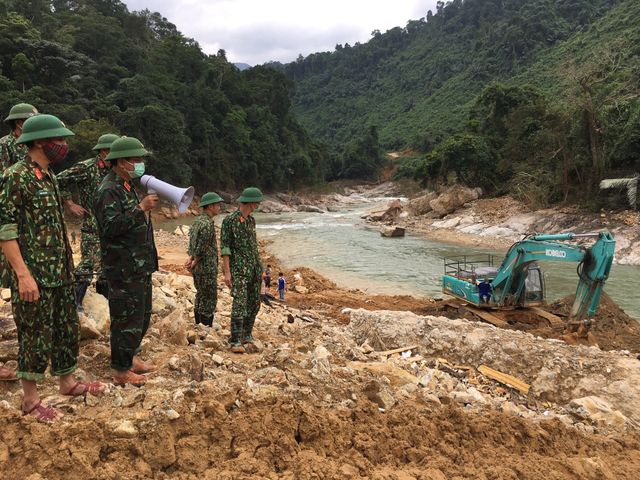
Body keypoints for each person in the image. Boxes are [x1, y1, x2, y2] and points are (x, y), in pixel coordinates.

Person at [0, 114, 105, 421]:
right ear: (40, 142)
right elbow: (5, 229)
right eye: (59, 140)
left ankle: (67, 382)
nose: (64, 145)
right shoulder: (15, 176)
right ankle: (31, 400)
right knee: (33, 334)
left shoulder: (49, 176)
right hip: (34, 275)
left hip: (59, 272)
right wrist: (22, 275)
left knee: (65, 328)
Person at [94, 136, 158, 386]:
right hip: (122, 267)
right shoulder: (108, 189)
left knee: (141, 315)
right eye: (136, 159)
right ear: (120, 161)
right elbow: (109, 227)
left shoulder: (126, 186)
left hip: (139, 264)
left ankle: (130, 357)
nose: (140, 163)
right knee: (125, 318)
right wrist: (140, 208)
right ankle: (120, 370)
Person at [58, 133, 119, 308]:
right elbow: (59, 180)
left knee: (107, 268)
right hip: (92, 227)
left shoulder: (115, 170)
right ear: (102, 151)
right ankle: (74, 304)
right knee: (87, 266)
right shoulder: (86, 167)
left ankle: (105, 305)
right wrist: (70, 203)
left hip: (112, 227)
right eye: (111, 151)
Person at [0, 103, 38, 381]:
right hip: (6, 221)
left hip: (24, 228)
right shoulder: (5, 147)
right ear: (18, 123)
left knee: (20, 283)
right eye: (29, 121)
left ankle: (29, 351)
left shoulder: (32, 150)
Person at [221, 187, 263, 354]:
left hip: (254, 268)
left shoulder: (251, 221)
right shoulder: (229, 221)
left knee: (254, 303)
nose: (259, 204)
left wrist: (260, 268)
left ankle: (247, 334)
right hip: (238, 270)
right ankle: (235, 340)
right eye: (258, 201)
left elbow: (254, 246)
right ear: (251, 202)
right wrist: (227, 272)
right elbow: (225, 247)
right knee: (239, 303)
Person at [186, 192, 223, 327]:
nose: (219, 207)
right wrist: (195, 260)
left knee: (200, 295)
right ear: (211, 206)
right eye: (217, 204)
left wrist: (191, 259)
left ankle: (198, 326)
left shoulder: (197, 221)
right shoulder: (207, 224)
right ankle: (206, 328)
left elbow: (193, 243)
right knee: (209, 298)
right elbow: (202, 247)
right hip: (206, 267)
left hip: (198, 267)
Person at [0, 103, 38, 172]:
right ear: (19, 123)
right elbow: (3, 176)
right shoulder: (4, 144)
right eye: (32, 121)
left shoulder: (34, 143)